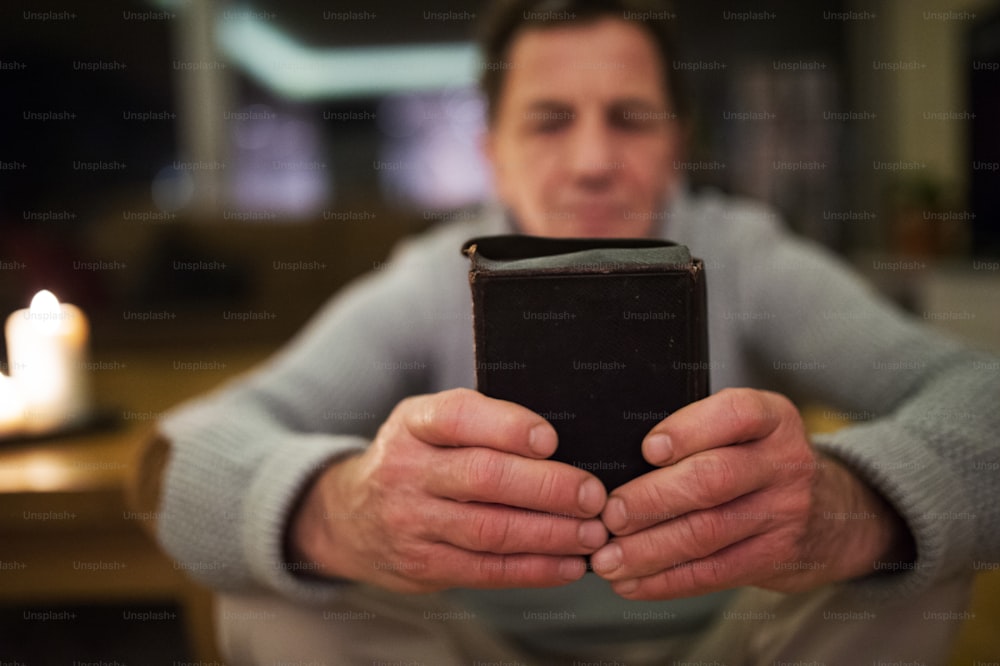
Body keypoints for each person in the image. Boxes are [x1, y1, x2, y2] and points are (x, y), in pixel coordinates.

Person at [136, 1, 1000, 664]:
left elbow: (981, 402)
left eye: (629, 118)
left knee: (910, 545)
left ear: (677, 143)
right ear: (493, 151)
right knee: (270, 580)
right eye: (550, 121)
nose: (592, 161)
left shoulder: (743, 253)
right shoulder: (433, 272)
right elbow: (182, 455)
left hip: (734, 641)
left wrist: (852, 507)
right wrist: (340, 511)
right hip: (476, 649)